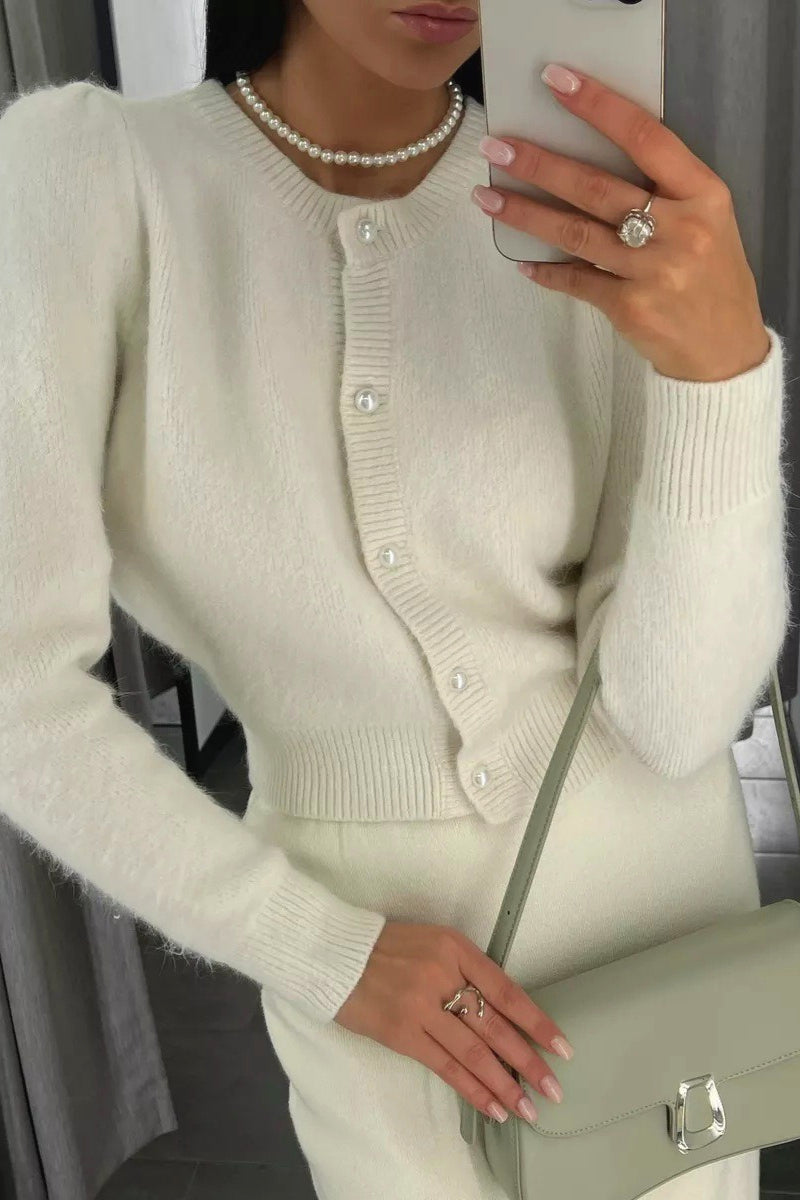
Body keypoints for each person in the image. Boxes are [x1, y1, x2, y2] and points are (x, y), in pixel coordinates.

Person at [0, 1, 790, 1197]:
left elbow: (678, 721)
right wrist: (322, 952)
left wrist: (721, 377)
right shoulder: (89, 179)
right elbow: (15, 688)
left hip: (670, 959)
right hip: (389, 996)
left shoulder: (587, 201)